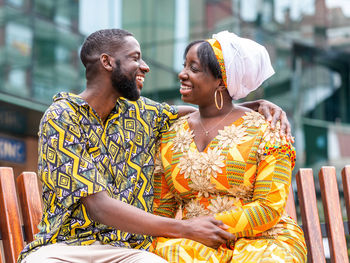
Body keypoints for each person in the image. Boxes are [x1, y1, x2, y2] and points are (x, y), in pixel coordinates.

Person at [18, 29, 294, 263]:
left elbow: (207, 110)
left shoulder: (140, 113)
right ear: (107, 61)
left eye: (193, 68)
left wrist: (252, 105)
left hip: (128, 250)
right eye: (136, 58)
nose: (146, 66)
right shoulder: (62, 116)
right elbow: (98, 206)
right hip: (66, 248)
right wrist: (185, 228)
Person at [151, 31, 307, 262]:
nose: (182, 74)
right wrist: (186, 231)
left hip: (262, 240)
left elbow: (268, 207)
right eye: (184, 66)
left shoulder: (268, 130)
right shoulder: (170, 134)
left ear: (221, 81)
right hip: (191, 242)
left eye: (194, 69)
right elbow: (162, 209)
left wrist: (205, 227)